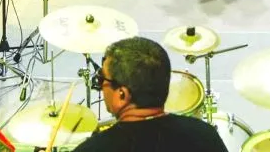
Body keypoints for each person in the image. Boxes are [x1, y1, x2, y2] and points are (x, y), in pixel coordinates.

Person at [74, 37, 229, 152]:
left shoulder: (93, 149)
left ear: (122, 95)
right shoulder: (204, 135)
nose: (100, 86)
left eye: (102, 78)